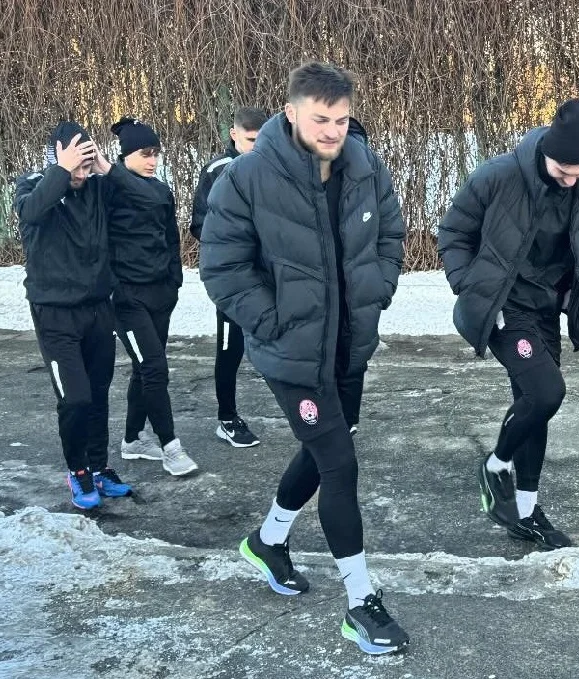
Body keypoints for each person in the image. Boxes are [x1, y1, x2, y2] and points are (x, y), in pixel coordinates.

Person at [200, 62, 408, 655]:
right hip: (292, 355)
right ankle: (361, 603)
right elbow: (222, 267)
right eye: (321, 119)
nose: (333, 131)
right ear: (290, 112)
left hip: (349, 346)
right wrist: (273, 322)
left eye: (341, 119)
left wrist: (378, 289)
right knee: (339, 464)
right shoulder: (247, 177)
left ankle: (268, 541)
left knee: (323, 451)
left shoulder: (366, 167)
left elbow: (390, 235)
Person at [437, 98, 579, 550]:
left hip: (546, 308)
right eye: (562, 171)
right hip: (505, 306)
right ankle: (495, 465)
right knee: (547, 392)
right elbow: (454, 233)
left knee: (533, 404)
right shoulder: (498, 176)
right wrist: (470, 286)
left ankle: (525, 512)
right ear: (545, 155)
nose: (570, 180)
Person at [14, 121, 154, 508]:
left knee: (97, 395)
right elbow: (30, 212)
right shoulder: (33, 186)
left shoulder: (97, 187)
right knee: (75, 398)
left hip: (98, 310)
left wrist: (108, 170)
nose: (81, 174)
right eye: (75, 165)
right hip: (55, 315)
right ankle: (77, 471)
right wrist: (62, 170)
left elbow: (148, 202)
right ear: (56, 159)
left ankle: (98, 467)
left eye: (86, 165)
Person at [107, 116, 198, 476]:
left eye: (156, 153)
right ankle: (171, 446)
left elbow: (171, 238)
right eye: (145, 153)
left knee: (144, 369)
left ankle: (132, 440)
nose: (153, 160)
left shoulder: (161, 190)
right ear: (126, 155)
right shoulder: (109, 186)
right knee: (155, 368)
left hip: (160, 293)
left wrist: (174, 281)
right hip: (126, 299)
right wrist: (113, 287)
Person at [190, 106, 268, 448]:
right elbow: (200, 226)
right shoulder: (217, 171)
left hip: (268, 276)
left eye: (261, 140)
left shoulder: (273, 167)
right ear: (234, 134)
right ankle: (227, 418)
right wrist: (236, 249)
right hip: (233, 280)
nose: (256, 146)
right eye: (250, 140)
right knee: (230, 347)